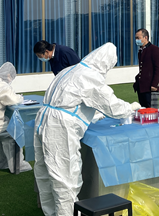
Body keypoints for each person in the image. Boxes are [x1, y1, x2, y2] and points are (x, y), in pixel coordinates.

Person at [33, 43, 141, 216]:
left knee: (46, 172)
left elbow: (75, 101)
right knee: (65, 178)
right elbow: (111, 106)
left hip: (43, 119)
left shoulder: (70, 70)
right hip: (59, 127)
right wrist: (131, 108)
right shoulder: (90, 76)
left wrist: (95, 114)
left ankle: (51, 212)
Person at [133, 28, 159, 108]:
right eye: (136, 38)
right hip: (142, 86)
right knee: (143, 109)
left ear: (145, 37)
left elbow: (158, 68)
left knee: (152, 110)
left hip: (150, 87)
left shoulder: (154, 50)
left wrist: (154, 84)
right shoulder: (141, 51)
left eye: (138, 38)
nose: (136, 40)